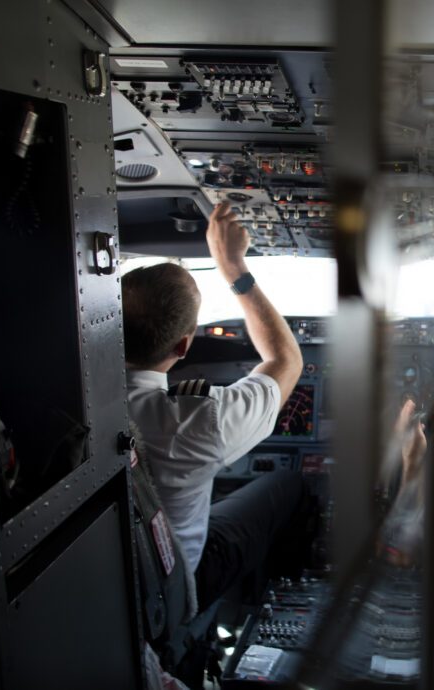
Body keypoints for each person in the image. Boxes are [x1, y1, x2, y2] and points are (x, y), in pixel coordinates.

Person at [122, 201, 306, 609]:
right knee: (287, 484)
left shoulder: (74, 404)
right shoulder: (196, 421)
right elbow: (287, 362)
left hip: (121, 583)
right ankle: (284, 597)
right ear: (184, 346)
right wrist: (233, 269)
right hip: (179, 586)